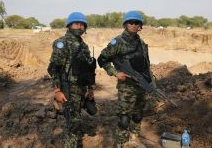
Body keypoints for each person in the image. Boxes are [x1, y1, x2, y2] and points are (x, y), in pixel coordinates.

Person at [97, 10, 156, 147]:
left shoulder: (142, 44)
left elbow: (146, 65)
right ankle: (121, 143)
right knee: (124, 117)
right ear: (125, 24)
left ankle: (134, 139)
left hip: (141, 84)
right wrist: (115, 73)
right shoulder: (117, 42)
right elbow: (102, 59)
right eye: (131, 22)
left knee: (138, 114)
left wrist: (151, 83)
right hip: (126, 87)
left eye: (137, 23)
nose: (134, 25)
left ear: (140, 26)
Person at [47, 12, 96, 148]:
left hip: (81, 89)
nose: (80, 27)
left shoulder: (84, 46)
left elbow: (88, 70)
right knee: (72, 123)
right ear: (69, 25)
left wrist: (90, 88)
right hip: (67, 88)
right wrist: (57, 90)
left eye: (82, 24)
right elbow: (54, 69)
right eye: (77, 24)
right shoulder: (61, 43)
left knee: (77, 117)